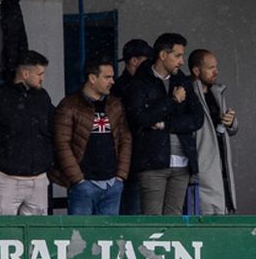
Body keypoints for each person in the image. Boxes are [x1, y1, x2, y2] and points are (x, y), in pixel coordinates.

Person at [122, 33, 202, 216]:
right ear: (163, 55)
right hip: (152, 163)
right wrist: (173, 101)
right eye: (177, 55)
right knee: (153, 222)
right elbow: (140, 118)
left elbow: (197, 119)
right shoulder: (140, 82)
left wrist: (166, 125)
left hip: (182, 164)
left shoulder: (182, 81)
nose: (182, 61)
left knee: (174, 221)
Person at [51, 54, 131, 216]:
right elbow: (61, 143)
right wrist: (78, 179)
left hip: (112, 184)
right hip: (84, 184)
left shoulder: (115, 104)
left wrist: (120, 176)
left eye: (113, 77)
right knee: (79, 237)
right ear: (92, 78)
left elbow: (125, 139)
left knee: (108, 239)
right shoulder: (69, 105)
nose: (112, 81)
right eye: (107, 77)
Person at [0, 49, 51, 216]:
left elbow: (50, 131)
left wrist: (47, 161)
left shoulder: (43, 97)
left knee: (38, 237)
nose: (43, 78)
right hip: (6, 179)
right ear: (25, 73)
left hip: (38, 179)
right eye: (39, 73)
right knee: (2, 234)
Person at [188, 48, 236, 214]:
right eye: (211, 68)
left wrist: (231, 122)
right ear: (196, 70)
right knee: (205, 215)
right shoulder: (188, 94)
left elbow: (228, 128)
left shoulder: (217, 92)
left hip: (221, 163)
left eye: (216, 67)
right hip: (203, 167)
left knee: (224, 210)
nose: (216, 71)